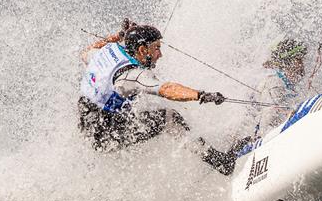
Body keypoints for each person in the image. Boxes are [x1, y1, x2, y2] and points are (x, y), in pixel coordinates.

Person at [77, 21, 238, 175]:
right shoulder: (133, 75)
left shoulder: (105, 51)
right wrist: (200, 95)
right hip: (105, 137)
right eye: (156, 48)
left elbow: (85, 52)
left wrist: (118, 35)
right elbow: (166, 89)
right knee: (170, 118)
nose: (160, 55)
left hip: (88, 126)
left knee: (142, 110)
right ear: (141, 50)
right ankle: (222, 163)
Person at [251, 38, 308, 137]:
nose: (302, 65)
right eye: (298, 60)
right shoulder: (273, 84)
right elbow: (266, 128)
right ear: (287, 63)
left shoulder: (287, 84)